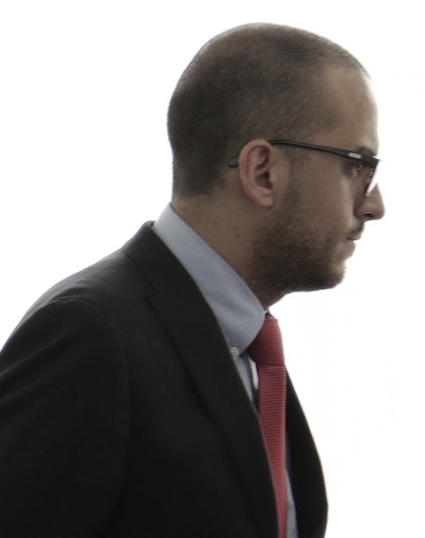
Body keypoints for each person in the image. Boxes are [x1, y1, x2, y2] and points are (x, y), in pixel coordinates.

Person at [0, 23, 385, 538]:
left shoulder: (247, 349)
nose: (374, 204)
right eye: (357, 167)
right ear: (263, 172)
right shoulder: (90, 335)